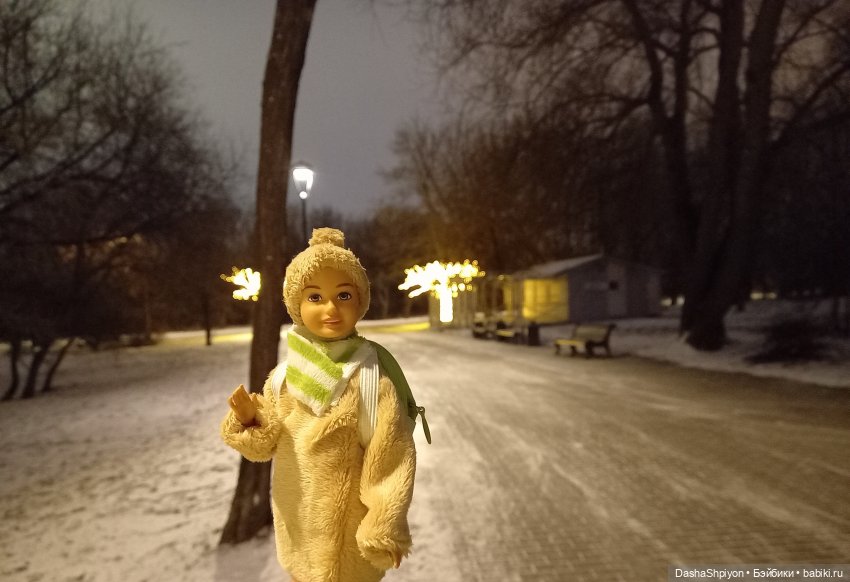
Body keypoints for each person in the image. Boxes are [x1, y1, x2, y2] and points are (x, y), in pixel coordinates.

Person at [221, 228, 416, 582]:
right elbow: (266, 447)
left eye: (344, 294)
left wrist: (383, 523)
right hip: (297, 535)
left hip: (350, 548)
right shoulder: (282, 377)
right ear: (296, 305)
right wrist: (252, 421)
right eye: (315, 297)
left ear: (361, 301)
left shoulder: (371, 377)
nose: (330, 308)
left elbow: (391, 455)